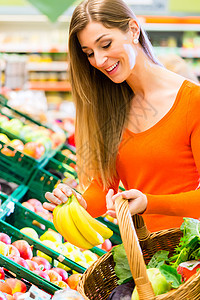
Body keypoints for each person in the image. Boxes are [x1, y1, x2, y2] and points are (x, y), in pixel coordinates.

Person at [44, 0, 200, 232]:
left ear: (133, 30)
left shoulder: (192, 101)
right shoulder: (112, 107)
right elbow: (101, 188)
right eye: (89, 53)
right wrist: (71, 203)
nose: (99, 61)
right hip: (143, 253)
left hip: (189, 255)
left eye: (105, 44)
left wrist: (149, 202)